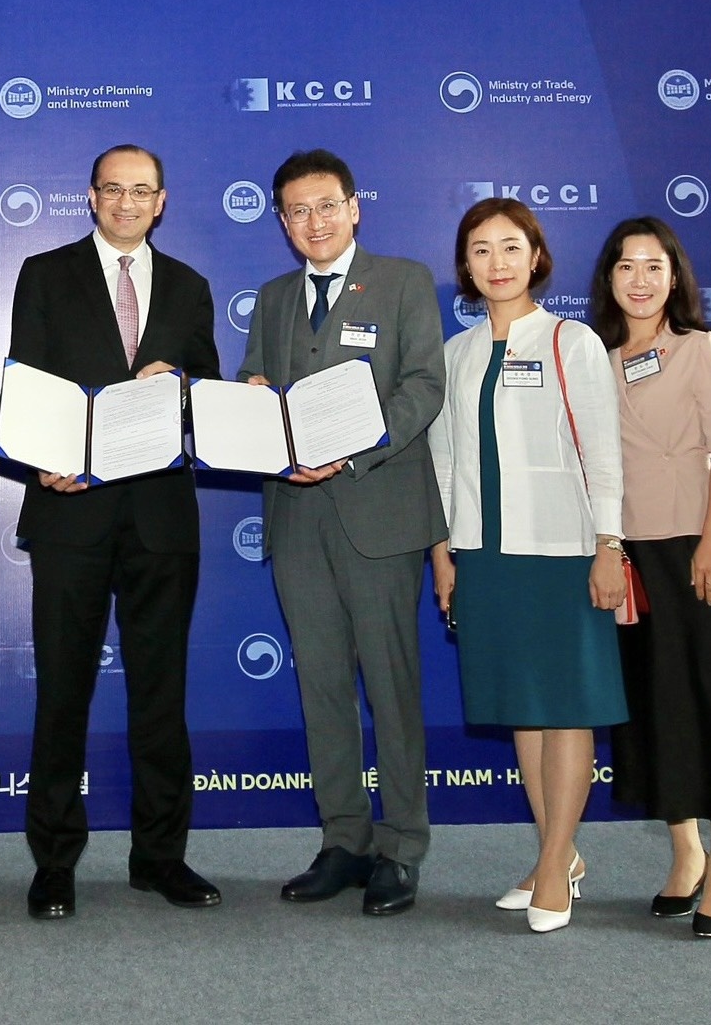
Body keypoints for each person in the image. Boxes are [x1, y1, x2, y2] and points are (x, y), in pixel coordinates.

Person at [10, 145, 222, 920]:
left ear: (161, 200)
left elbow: (207, 398)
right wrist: (45, 459)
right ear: (91, 196)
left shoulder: (191, 285)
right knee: (62, 692)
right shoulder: (44, 273)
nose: (126, 202)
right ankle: (54, 861)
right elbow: (27, 382)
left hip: (161, 519)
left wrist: (185, 387)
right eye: (112, 189)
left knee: (162, 695)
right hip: (70, 511)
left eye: (141, 190)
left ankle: (160, 856)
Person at [237, 149, 445, 917]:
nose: (313, 221)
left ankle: (402, 845)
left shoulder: (405, 281)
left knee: (390, 686)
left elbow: (423, 385)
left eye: (326, 204)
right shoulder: (272, 297)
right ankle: (344, 838)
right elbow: (255, 380)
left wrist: (353, 449)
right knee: (321, 683)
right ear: (282, 221)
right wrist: (255, 400)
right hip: (296, 517)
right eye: (297, 210)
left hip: (378, 509)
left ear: (355, 207)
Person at [429, 197, 628, 933]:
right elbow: (443, 460)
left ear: (536, 257)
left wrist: (609, 544)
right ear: (466, 265)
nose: (497, 263)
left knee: (566, 707)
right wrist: (443, 551)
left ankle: (551, 867)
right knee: (524, 707)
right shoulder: (455, 354)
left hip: (561, 549)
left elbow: (603, 451)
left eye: (511, 247)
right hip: (485, 553)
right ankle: (559, 855)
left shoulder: (571, 341)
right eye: (481, 250)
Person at [590, 217, 711, 939]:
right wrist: (608, 547)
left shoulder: (704, 348)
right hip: (635, 555)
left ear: (674, 276)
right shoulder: (598, 359)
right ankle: (686, 854)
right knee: (659, 706)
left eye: (654, 265)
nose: (639, 280)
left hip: (703, 550)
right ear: (609, 279)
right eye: (626, 266)